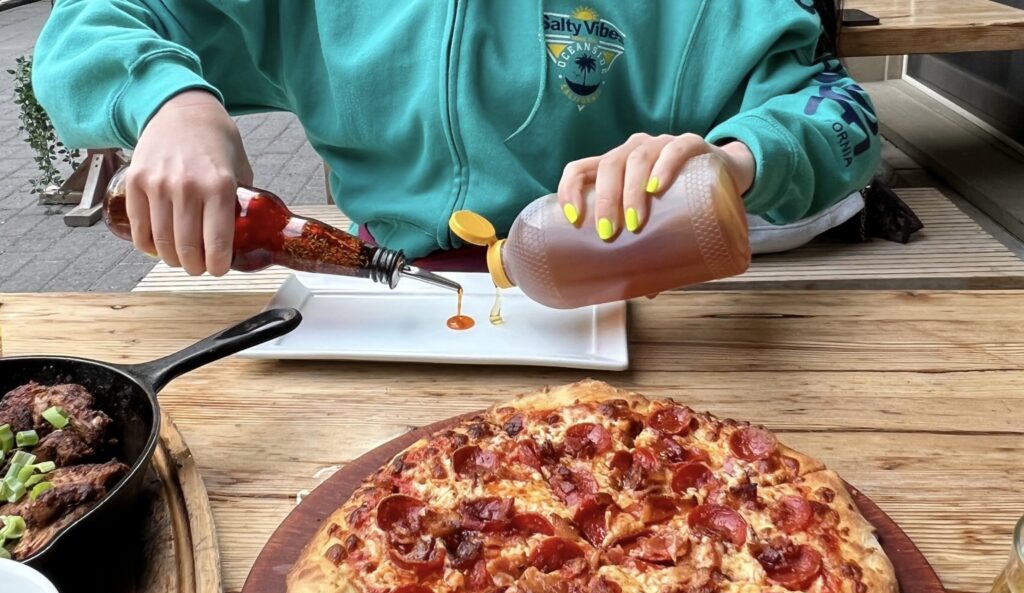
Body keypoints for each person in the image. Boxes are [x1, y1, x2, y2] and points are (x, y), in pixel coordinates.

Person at [33, 1, 878, 278]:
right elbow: (86, 24)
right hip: (374, 299)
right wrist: (173, 103)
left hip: (620, 304)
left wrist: (734, 161)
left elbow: (840, 109)